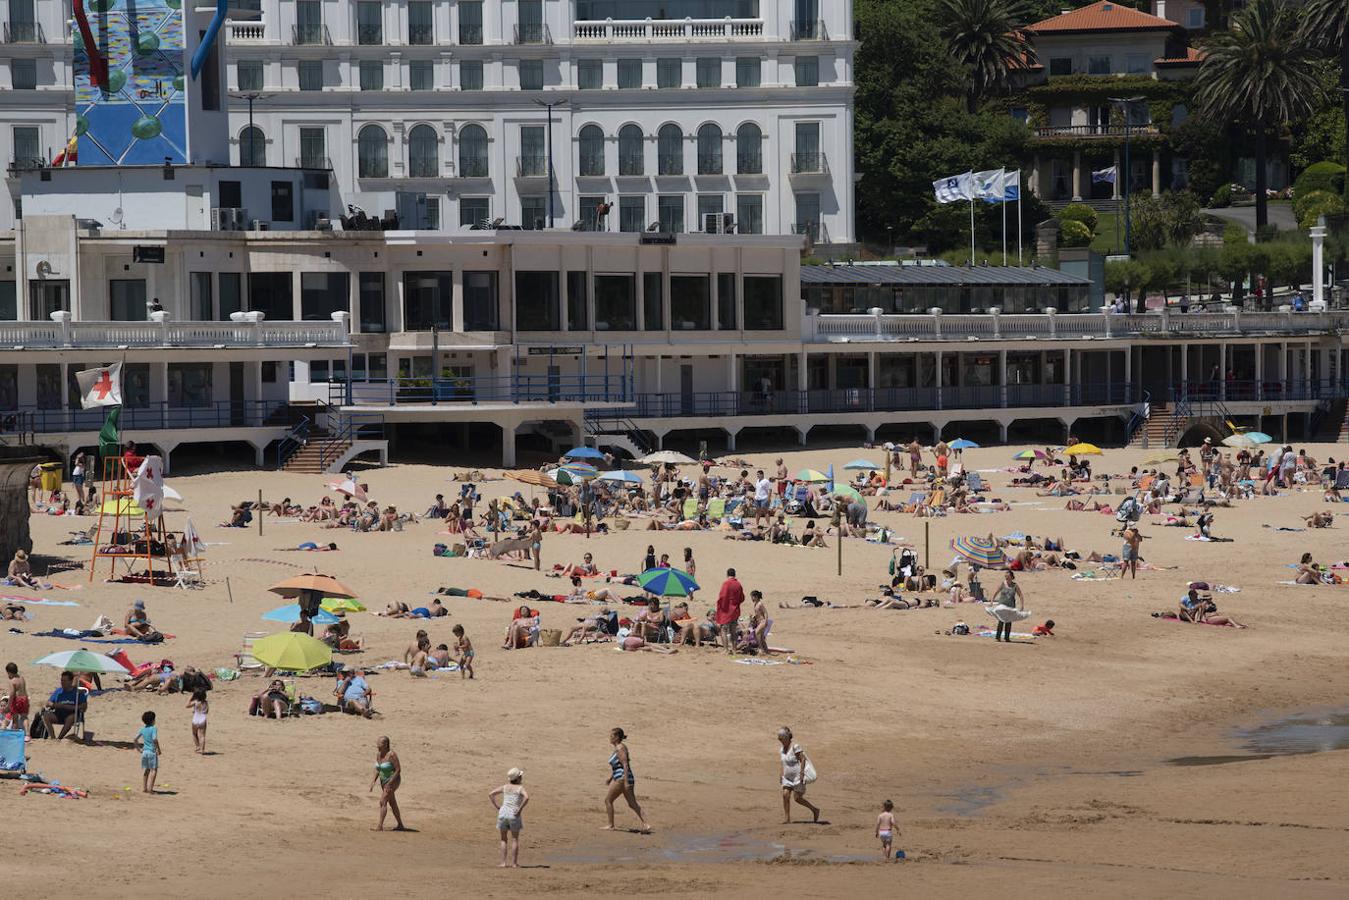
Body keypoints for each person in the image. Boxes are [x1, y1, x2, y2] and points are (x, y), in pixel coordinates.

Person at [603, 727, 651, 832]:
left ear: (617, 737)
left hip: (622, 778)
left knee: (608, 800)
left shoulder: (620, 748)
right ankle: (646, 824)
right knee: (632, 803)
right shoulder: (619, 748)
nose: (610, 738)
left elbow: (625, 764)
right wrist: (610, 778)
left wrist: (625, 782)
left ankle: (611, 825)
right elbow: (619, 765)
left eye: (611, 736)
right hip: (623, 777)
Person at [777, 726, 820, 824]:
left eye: (781, 738)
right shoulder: (782, 749)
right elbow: (783, 762)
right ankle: (787, 818)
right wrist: (781, 773)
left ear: (787, 737)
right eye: (779, 738)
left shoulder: (795, 746)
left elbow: (803, 759)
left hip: (797, 777)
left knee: (797, 798)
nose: (780, 740)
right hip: (787, 777)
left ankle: (814, 810)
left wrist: (801, 773)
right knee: (785, 795)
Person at [490, 767, 530, 867]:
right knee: (515, 839)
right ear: (518, 778)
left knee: (503, 839)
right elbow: (527, 797)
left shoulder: (505, 787)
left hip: (503, 813)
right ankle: (514, 863)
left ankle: (503, 863)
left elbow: (491, 794)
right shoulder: (520, 788)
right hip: (514, 814)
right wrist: (520, 809)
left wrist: (497, 807)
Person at [369, 736, 406, 831]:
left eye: (380, 743)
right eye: (377, 742)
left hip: (393, 780)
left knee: (383, 801)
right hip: (383, 781)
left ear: (386, 744)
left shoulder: (392, 755)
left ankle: (379, 826)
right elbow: (378, 768)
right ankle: (400, 825)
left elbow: (398, 770)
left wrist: (390, 783)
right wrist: (373, 781)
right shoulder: (379, 754)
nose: (377, 745)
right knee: (392, 802)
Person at [40, 671, 86, 740]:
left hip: (71, 714)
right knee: (46, 715)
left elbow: (84, 707)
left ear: (71, 681)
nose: (62, 682)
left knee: (71, 718)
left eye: (65, 680)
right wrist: (54, 705)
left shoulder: (77, 692)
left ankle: (59, 738)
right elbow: (48, 703)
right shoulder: (58, 691)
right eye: (61, 680)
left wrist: (69, 707)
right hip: (58, 714)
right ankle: (52, 737)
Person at [715, 568, 745, 655]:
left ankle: (726, 649)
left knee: (723, 630)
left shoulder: (726, 583)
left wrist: (721, 607)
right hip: (735, 611)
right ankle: (734, 649)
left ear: (727, 574)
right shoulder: (738, 584)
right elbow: (742, 598)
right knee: (733, 631)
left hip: (726, 610)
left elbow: (722, 597)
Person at [990, 571, 1025, 643]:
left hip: (1010, 606)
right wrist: (992, 601)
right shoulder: (1002, 584)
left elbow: (1020, 595)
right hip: (1002, 605)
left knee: (1008, 622)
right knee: (1001, 621)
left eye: (1008, 577)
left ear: (1012, 577)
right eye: (1006, 577)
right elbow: (996, 592)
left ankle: (1007, 637)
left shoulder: (1015, 586)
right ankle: (998, 637)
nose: (1007, 578)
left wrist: (1022, 605)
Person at [136, 710, 161, 793]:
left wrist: (139, 749)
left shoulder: (142, 729)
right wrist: (158, 748)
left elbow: (135, 739)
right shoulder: (153, 728)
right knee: (154, 770)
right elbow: (154, 739)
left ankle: (144, 788)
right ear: (153, 720)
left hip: (144, 752)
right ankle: (150, 789)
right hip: (152, 752)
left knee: (147, 770)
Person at [5, 662, 29, 733]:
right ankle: (27, 733)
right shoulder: (22, 678)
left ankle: (15, 733)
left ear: (10, 673)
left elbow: (12, 693)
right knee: (24, 717)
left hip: (17, 699)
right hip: (25, 698)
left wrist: (8, 705)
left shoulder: (12, 681)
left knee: (15, 717)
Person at [186, 689, 208, 754]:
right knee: (202, 735)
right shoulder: (205, 702)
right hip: (202, 719)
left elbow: (187, 705)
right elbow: (207, 711)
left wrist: (190, 698)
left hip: (195, 719)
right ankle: (202, 749)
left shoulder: (195, 702)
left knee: (194, 733)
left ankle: (197, 746)